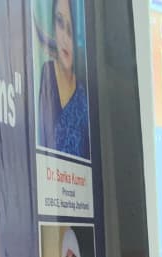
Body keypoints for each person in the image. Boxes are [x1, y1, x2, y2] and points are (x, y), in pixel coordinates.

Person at [36, 0, 90, 159]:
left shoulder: (83, 100)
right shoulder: (47, 73)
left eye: (71, 30)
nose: (65, 39)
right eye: (60, 22)